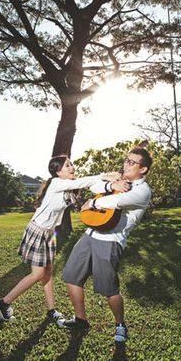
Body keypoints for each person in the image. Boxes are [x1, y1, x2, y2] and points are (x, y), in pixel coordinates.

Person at [0, 155, 120, 325]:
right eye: (67, 165)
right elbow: (84, 182)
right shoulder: (56, 183)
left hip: (50, 233)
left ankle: (51, 310)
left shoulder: (68, 187)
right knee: (37, 274)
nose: (72, 167)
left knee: (47, 272)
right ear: (58, 172)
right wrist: (105, 176)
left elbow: (91, 186)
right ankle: (3, 303)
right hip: (38, 231)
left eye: (71, 164)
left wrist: (111, 180)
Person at [61, 145, 152, 343]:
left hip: (111, 241)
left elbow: (116, 202)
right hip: (89, 234)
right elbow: (93, 186)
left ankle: (120, 325)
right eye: (126, 160)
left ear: (143, 169)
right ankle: (81, 320)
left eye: (131, 162)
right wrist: (110, 185)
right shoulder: (120, 179)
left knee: (109, 289)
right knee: (71, 277)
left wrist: (92, 204)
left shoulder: (143, 191)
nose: (125, 164)